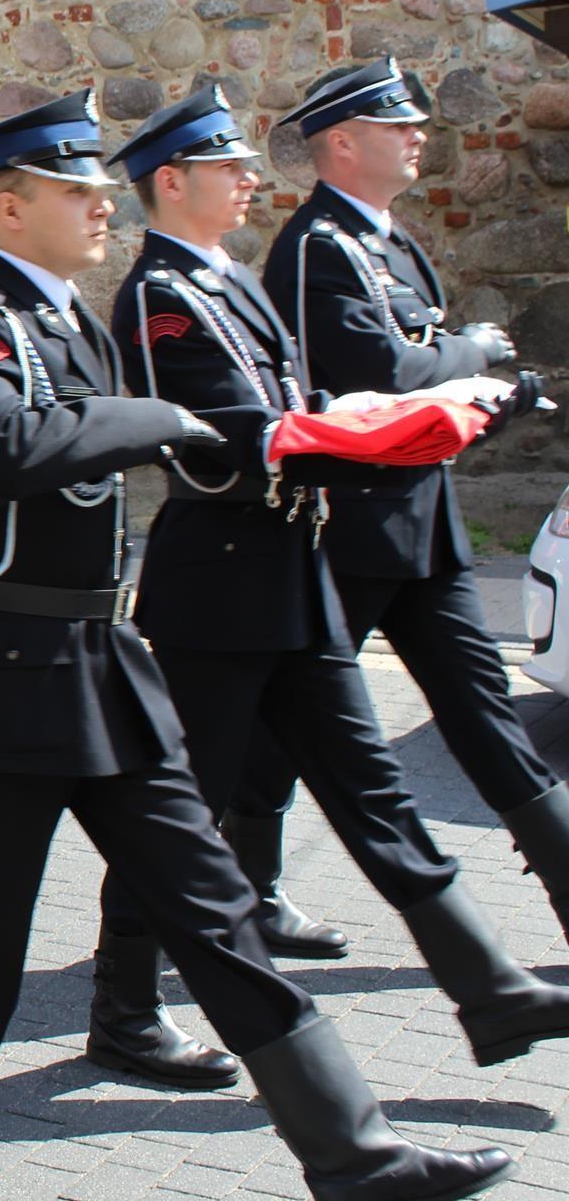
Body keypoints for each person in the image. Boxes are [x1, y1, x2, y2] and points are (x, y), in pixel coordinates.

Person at [0, 91, 513, 1201]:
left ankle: (353, 1154)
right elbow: (2, 443)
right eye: (78, 194)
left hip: (96, 663)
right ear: (11, 208)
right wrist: (165, 421)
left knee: (214, 904)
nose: (100, 210)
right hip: (6, 676)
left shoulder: (66, 316)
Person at [83, 85, 569, 1093]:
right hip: (222, 593)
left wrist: (418, 410)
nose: (253, 177)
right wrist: (418, 415)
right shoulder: (162, 296)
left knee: (377, 795)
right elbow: (239, 443)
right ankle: (124, 1013)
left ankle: (492, 989)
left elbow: (313, 400)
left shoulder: (232, 280)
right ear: (173, 183)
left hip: (294, 576)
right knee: (182, 814)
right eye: (228, 167)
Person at [237, 55, 569, 956]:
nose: (418, 135)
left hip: (423, 525)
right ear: (342, 144)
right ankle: (240, 898)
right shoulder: (314, 248)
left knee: (488, 719)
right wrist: (471, 353)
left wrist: (483, 386)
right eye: (397, 125)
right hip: (346, 530)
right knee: (282, 720)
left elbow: (420, 381)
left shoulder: (390, 240)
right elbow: (377, 373)